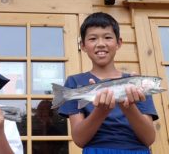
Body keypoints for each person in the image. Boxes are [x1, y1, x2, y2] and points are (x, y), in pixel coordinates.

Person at [58, 12, 158, 154]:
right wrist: (101, 111)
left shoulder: (136, 84)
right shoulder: (74, 82)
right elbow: (79, 140)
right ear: (83, 46)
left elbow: (149, 139)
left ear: (119, 43)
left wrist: (128, 106)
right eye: (93, 38)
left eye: (108, 37)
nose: (101, 44)